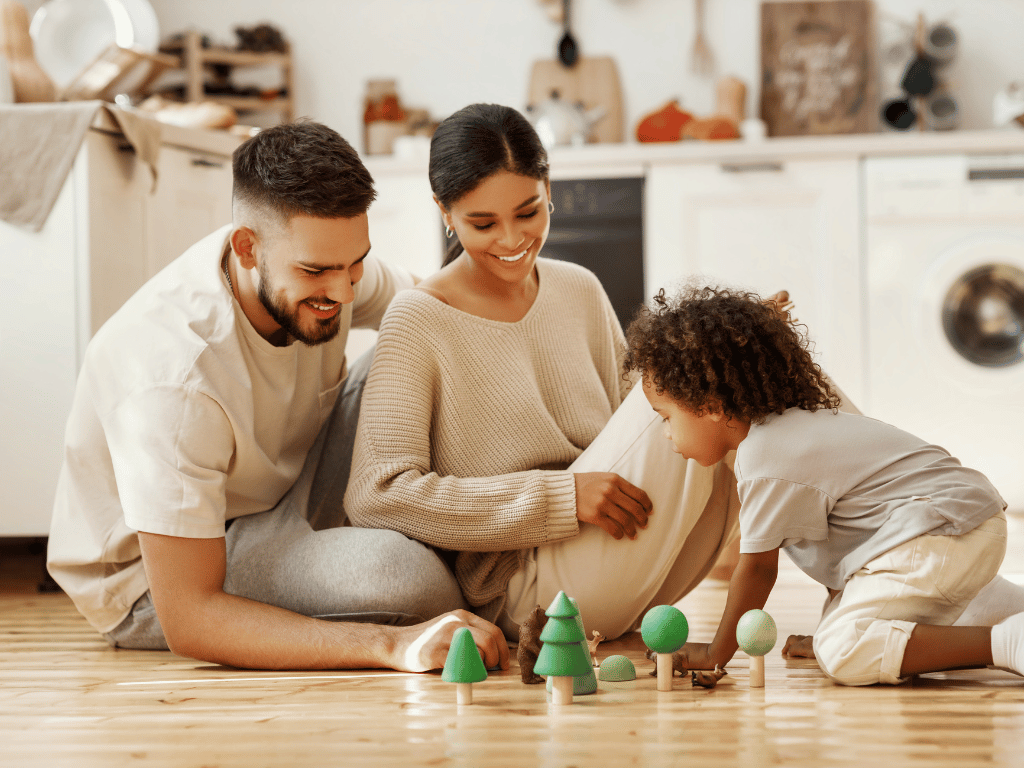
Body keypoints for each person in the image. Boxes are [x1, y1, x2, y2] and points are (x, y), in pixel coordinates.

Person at [46, 120, 508, 673]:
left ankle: (476, 556)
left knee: (414, 339)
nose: (340, 294)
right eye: (315, 272)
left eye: (355, 265)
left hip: (282, 488)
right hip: (161, 575)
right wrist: (391, 645)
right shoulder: (173, 379)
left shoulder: (322, 265)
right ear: (246, 248)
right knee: (409, 581)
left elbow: (438, 312)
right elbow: (190, 616)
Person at [344, 103, 761, 641]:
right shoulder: (418, 318)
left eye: (529, 211)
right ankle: (894, 537)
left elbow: (647, 425)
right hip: (530, 590)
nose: (513, 239)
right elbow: (375, 494)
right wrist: (560, 498)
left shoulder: (579, 287)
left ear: (549, 187)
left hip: (630, 550)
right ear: (444, 212)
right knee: (720, 351)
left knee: (749, 356)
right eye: (482, 223)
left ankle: (881, 547)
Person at [622, 284, 1024, 685]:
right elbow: (850, 554)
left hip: (937, 528)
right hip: (957, 523)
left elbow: (758, 571)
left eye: (665, 417)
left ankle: (1008, 644)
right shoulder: (791, 427)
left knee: (843, 652)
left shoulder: (763, 456)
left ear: (709, 406)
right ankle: (1008, 620)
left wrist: (716, 653)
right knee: (838, 633)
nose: (665, 434)